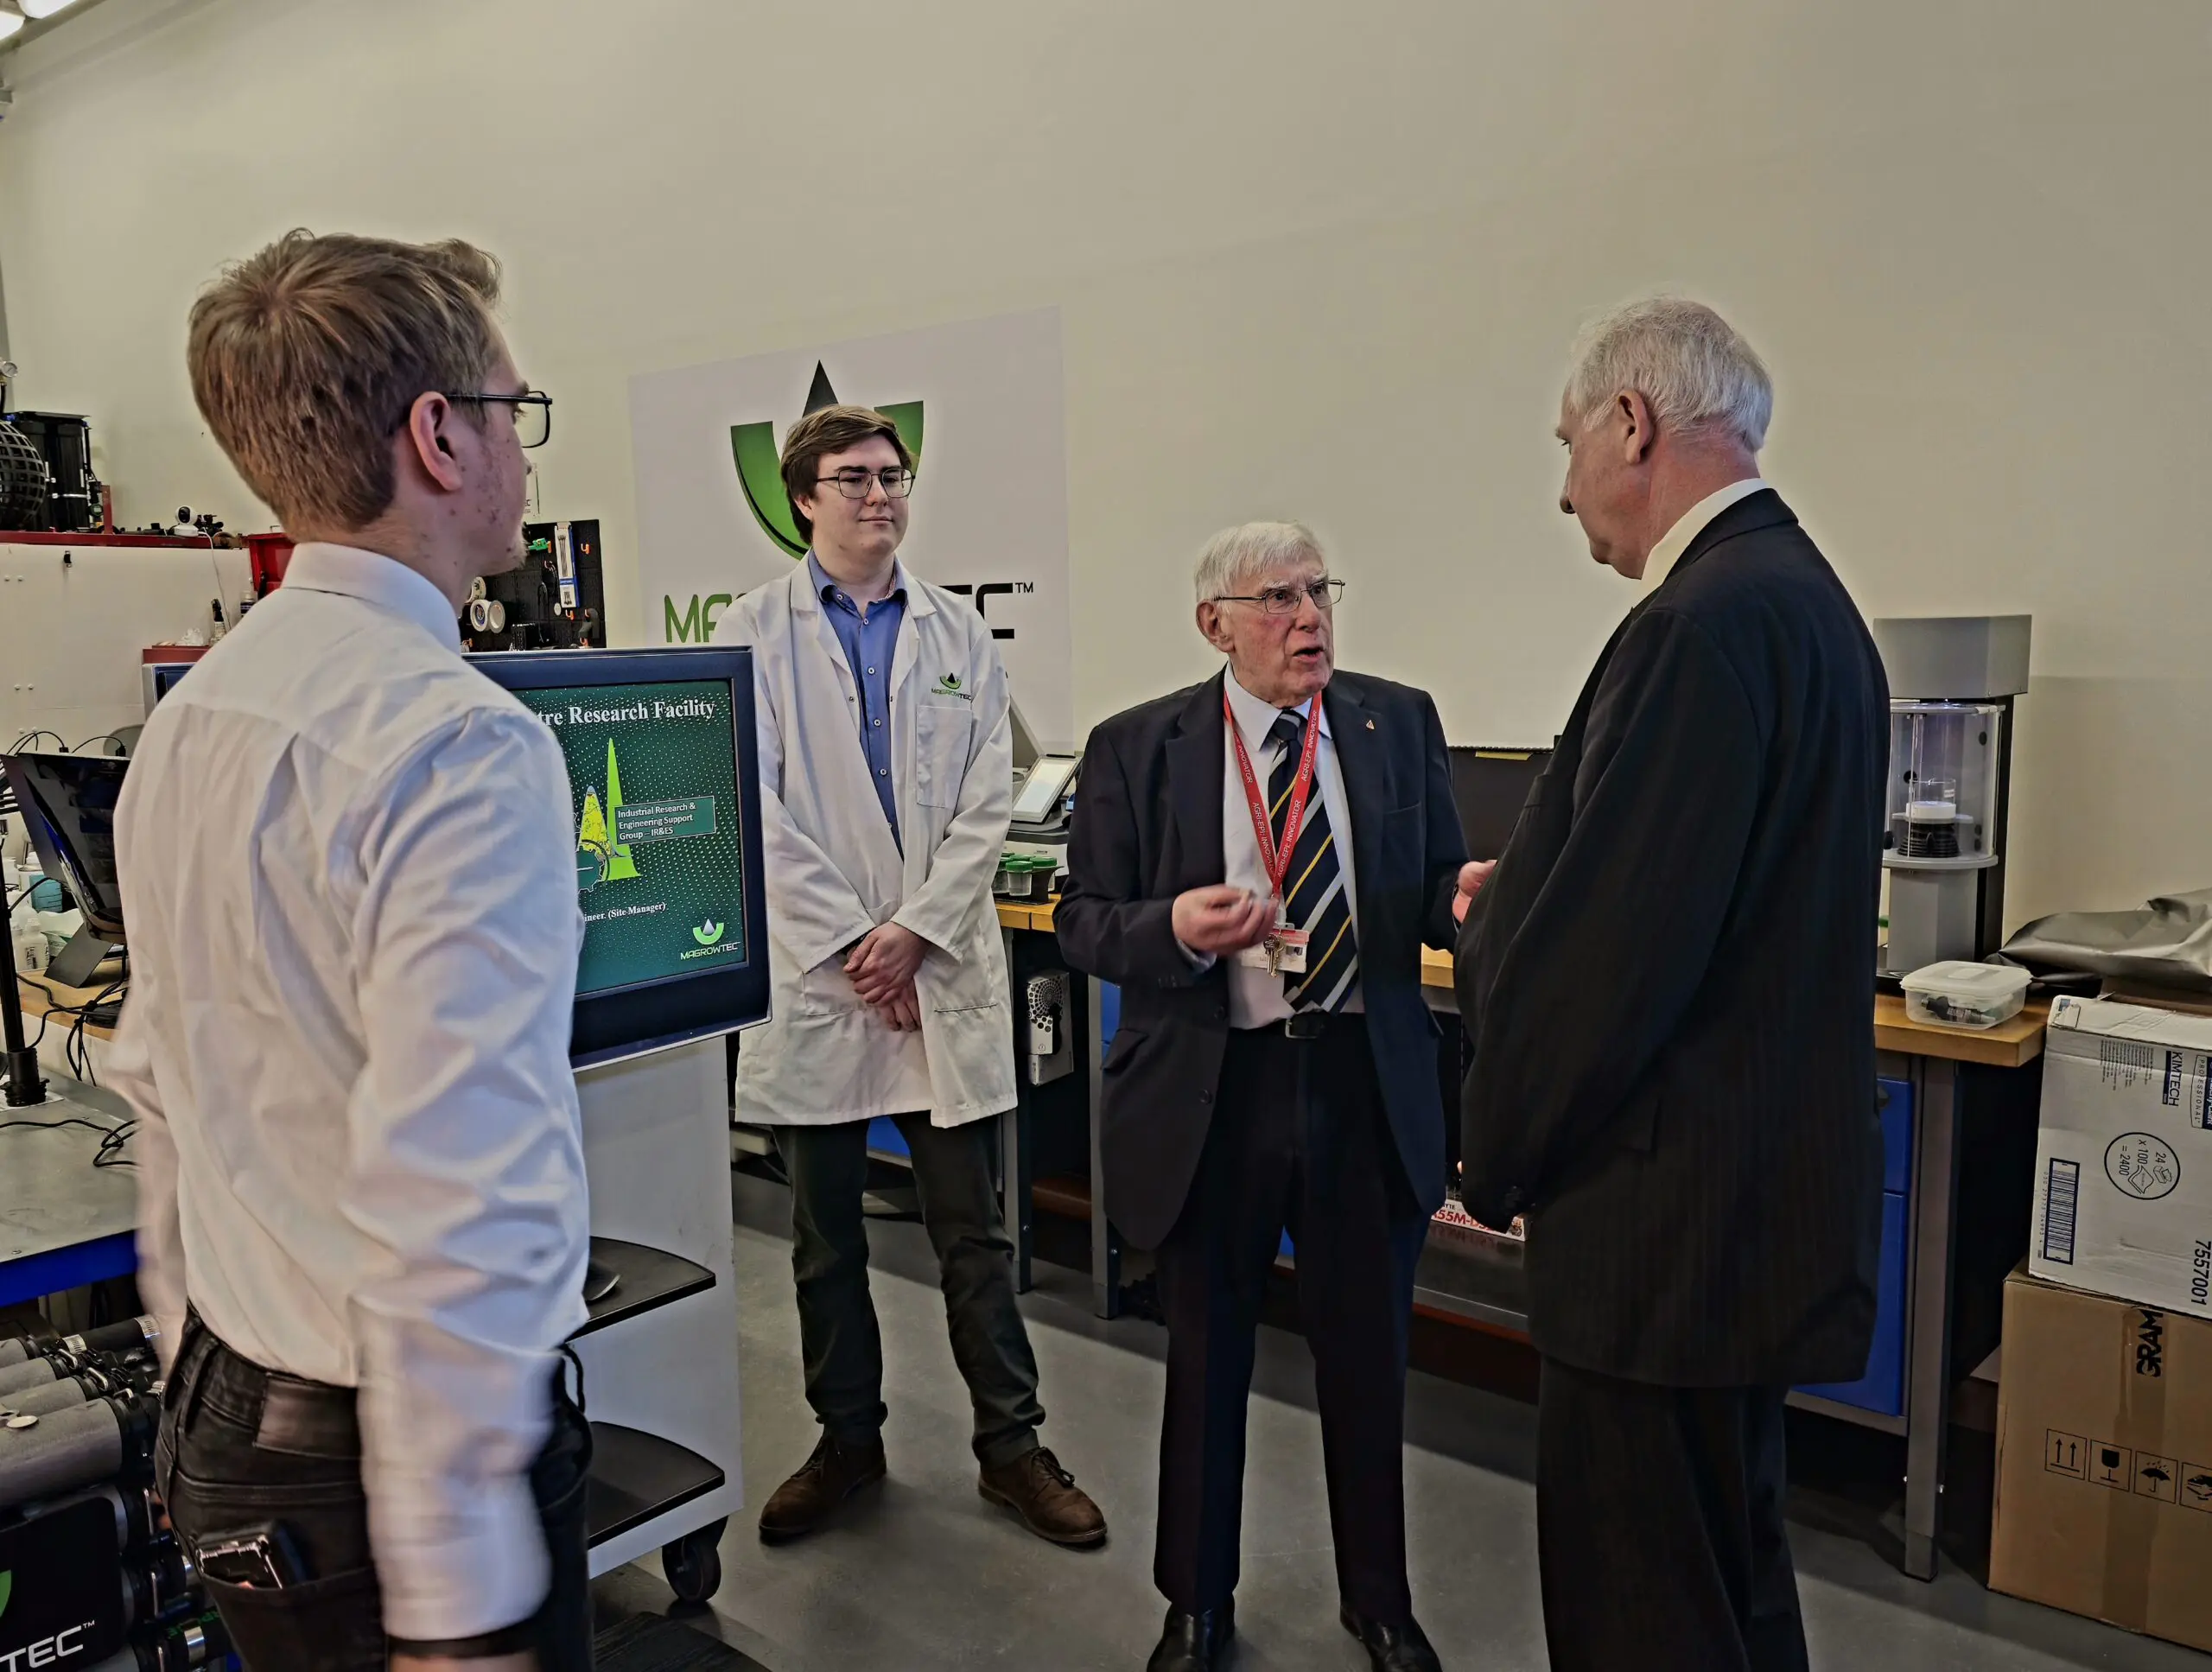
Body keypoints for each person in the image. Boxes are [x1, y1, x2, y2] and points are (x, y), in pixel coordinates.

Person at [111, 232, 590, 1672]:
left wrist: (196, 1346)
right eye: (516, 410)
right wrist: (454, 1606)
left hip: (239, 1415)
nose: (525, 449)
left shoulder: (200, 710)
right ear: (439, 437)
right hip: (375, 1477)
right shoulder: (456, 742)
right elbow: (462, 1192)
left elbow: (158, 1087)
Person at [1455, 297, 1891, 1672]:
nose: (1564, 485)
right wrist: (1534, 879)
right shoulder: (1807, 606)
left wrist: (1497, 1153)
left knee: (1642, 1605)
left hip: (1660, 1235)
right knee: (1729, 1579)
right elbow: (1698, 887)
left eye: (1570, 440)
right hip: (1748, 1214)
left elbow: (1608, 967)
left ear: (1633, 423)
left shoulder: (1693, 627)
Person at [1057, 522, 1478, 1672]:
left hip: (1358, 1084)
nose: (1311, 618)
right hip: (1215, 1090)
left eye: (1321, 590)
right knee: (1207, 1360)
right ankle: (1196, 1604)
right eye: (1280, 598)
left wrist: (1464, 899)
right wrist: (1174, 931)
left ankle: (1381, 1602)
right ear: (1216, 624)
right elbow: (1082, 916)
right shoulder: (1139, 746)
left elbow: (1431, 882)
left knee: (1366, 1360)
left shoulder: (1399, 720)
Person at [712, 404, 1105, 1549]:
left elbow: (993, 794)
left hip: (931, 969)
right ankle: (847, 1439)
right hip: (826, 976)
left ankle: (1012, 1445)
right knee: (826, 1239)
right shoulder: (752, 633)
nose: (882, 495)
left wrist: (919, 933)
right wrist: (857, 940)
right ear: (803, 498)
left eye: (894, 475)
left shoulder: (956, 634)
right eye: (856, 478)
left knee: (972, 1231)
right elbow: (758, 805)